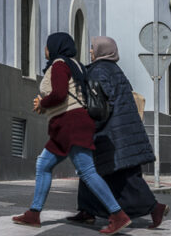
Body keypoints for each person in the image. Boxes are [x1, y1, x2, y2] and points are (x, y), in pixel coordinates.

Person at [12, 32, 131, 234]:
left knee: (86, 171)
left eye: (47, 46)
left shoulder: (59, 64)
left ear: (56, 47)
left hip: (70, 124)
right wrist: (46, 106)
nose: (45, 50)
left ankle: (118, 215)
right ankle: (33, 214)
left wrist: (43, 102)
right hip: (71, 124)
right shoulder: (75, 64)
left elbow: (58, 94)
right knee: (44, 164)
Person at [67, 36, 169, 228]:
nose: (90, 51)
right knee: (94, 170)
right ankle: (87, 210)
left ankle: (155, 208)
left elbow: (99, 106)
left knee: (125, 179)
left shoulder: (98, 71)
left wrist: (88, 125)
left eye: (92, 48)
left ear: (101, 51)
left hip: (112, 134)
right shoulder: (116, 70)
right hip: (124, 131)